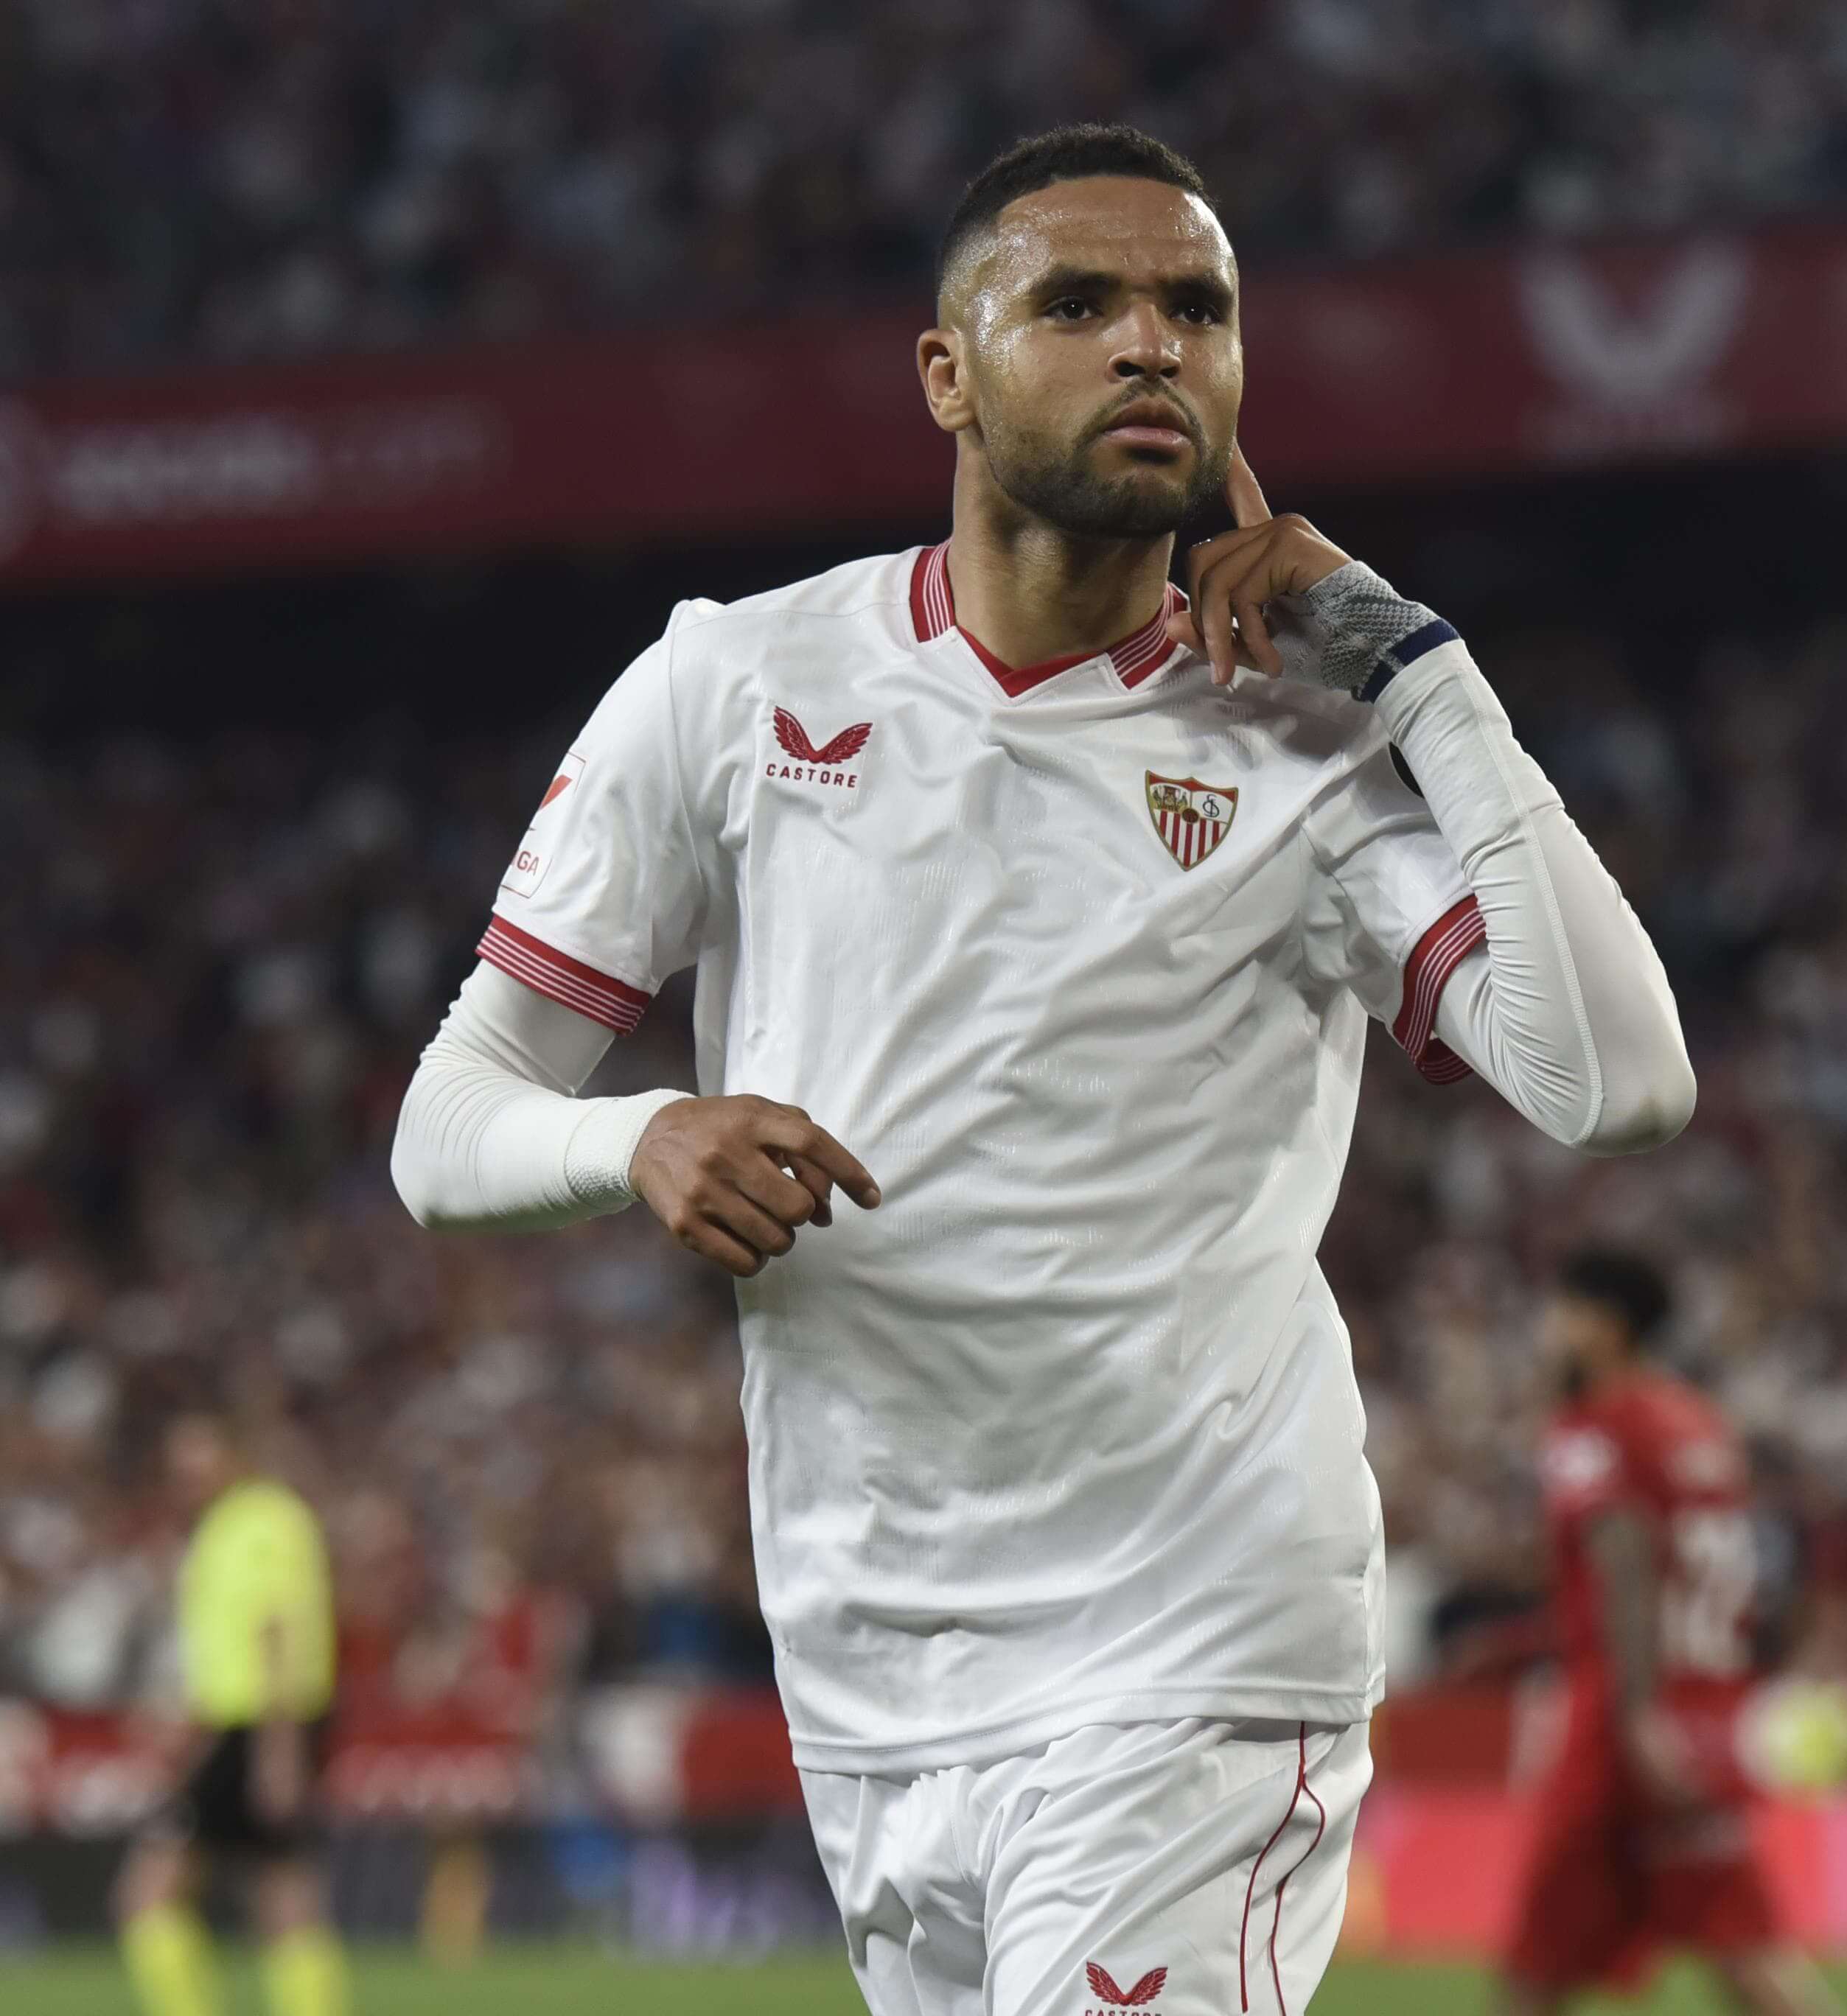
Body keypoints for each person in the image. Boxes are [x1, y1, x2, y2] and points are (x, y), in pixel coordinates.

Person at [387, 122, 1694, 2016]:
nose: (1150, 344)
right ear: (948, 369)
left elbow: (1617, 1077)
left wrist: (1415, 670)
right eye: (1078, 303)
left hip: (1195, 1636)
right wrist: (638, 1132)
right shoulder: (733, 688)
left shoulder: (1304, 755)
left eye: (1197, 309)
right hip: (872, 1661)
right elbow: (448, 1118)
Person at [1499, 1253, 1838, 2016]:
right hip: (1704, 1701)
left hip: (1624, 1711)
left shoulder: (1596, 1425)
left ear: (1604, 1324)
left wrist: (1638, 1711)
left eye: (1563, 1311)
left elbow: (1623, 1559)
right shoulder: (1700, 1421)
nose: (1547, 1331)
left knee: (1536, 1965)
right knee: (1746, 1950)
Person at [116, 1410, 349, 2016]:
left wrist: (279, 1749)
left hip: (261, 1726)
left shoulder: (259, 1521)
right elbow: (226, 1643)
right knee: (279, 1890)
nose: (187, 1476)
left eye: (200, 1459)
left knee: (150, 1897)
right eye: (178, 1466)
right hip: (240, 1726)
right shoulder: (225, 1526)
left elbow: (275, 1630)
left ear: (236, 1456)